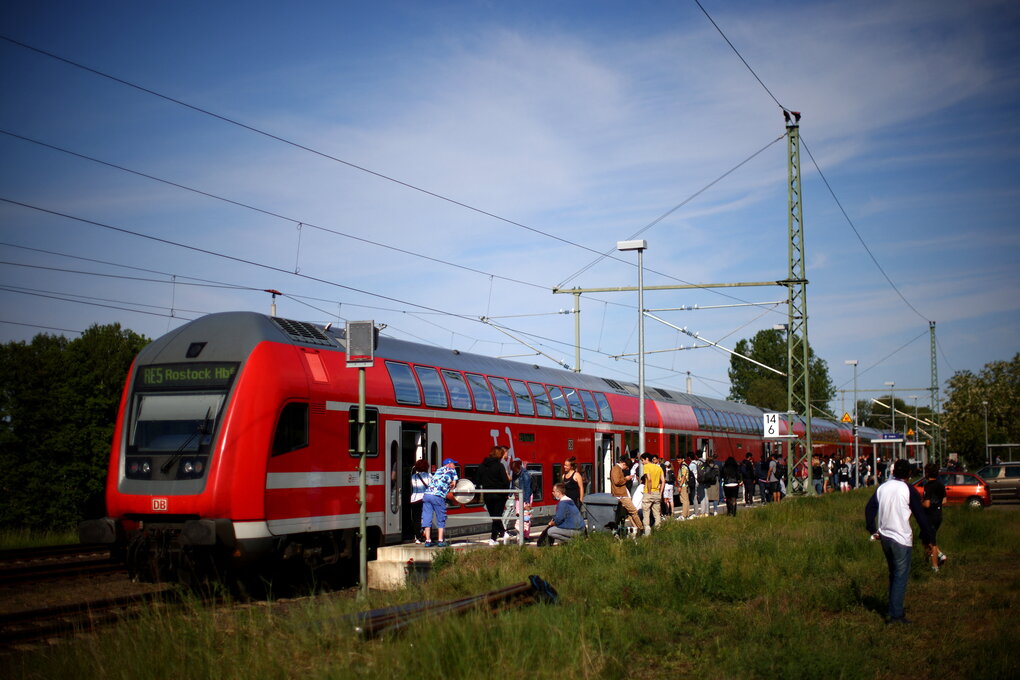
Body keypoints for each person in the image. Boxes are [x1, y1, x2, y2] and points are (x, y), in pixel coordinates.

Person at [865, 458, 933, 624]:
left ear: (893, 472)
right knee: (900, 576)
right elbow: (920, 515)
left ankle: (892, 608)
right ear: (909, 473)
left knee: (893, 574)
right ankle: (895, 615)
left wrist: (873, 530)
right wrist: (929, 538)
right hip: (901, 538)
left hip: (885, 537)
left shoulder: (883, 487)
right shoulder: (909, 489)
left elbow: (869, 509)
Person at [422, 458, 460, 547]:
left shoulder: (438, 470)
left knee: (427, 517)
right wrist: (452, 486)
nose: (455, 465)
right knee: (441, 518)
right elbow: (453, 485)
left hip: (427, 495)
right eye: (454, 463)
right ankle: (440, 540)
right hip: (438, 496)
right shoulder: (452, 470)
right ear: (449, 464)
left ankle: (427, 541)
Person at [478, 446, 510, 545]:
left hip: (487, 494)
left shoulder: (482, 465)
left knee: (494, 516)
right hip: (499, 495)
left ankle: (503, 533)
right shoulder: (499, 466)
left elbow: (478, 479)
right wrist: (506, 493)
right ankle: (493, 539)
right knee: (497, 516)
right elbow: (506, 481)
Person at [921, 462, 947, 572]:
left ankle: (935, 566)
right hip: (938, 515)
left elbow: (926, 504)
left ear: (927, 473)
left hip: (930, 516)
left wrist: (919, 504)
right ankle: (933, 558)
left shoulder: (928, 486)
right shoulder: (940, 484)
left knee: (931, 542)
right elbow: (945, 501)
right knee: (924, 538)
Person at [610, 456, 643, 533]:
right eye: (627, 467)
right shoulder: (616, 469)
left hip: (622, 494)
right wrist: (626, 479)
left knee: (629, 513)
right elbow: (617, 481)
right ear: (624, 464)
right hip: (621, 495)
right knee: (634, 511)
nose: (627, 469)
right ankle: (641, 528)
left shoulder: (617, 469)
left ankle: (636, 528)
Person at [502, 458, 533, 540]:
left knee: (526, 517)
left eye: (514, 470)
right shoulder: (515, 474)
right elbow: (513, 485)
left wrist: (527, 502)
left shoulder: (525, 475)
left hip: (526, 497)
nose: (514, 472)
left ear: (518, 467)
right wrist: (510, 494)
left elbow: (527, 488)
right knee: (519, 515)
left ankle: (526, 536)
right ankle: (521, 534)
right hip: (518, 497)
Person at [408, 458, 431, 543]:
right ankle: (425, 535)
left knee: (416, 519)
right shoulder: (429, 476)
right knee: (426, 517)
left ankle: (417, 537)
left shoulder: (413, 477)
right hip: (425, 498)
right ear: (426, 467)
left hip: (414, 499)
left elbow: (412, 487)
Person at [640, 453, 664, 534]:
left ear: (647, 459)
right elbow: (663, 481)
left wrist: (649, 491)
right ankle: (658, 530)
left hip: (648, 492)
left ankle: (647, 532)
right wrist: (660, 492)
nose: (642, 462)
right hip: (657, 492)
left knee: (646, 512)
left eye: (642, 460)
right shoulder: (658, 468)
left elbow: (649, 479)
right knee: (657, 513)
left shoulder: (646, 466)